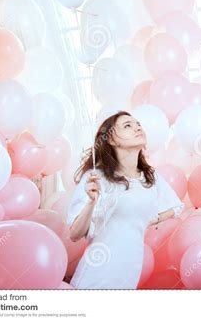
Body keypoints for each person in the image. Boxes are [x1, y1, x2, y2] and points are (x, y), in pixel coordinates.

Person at [66, 110, 184, 289]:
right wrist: (91, 202)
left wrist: (153, 218)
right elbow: (75, 234)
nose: (137, 128)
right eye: (128, 125)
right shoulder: (97, 177)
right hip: (97, 276)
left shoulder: (150, 178)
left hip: (129, 274)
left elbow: (177, 207)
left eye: (138, 124)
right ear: (111, 139)